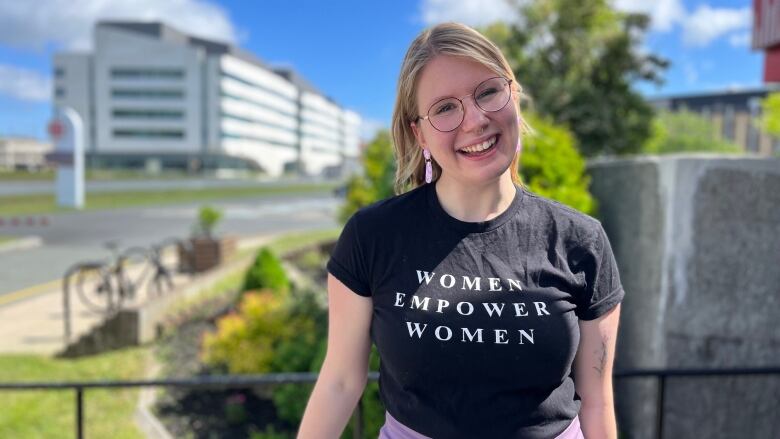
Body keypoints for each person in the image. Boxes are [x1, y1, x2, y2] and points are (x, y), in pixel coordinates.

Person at [298, 22, 623, 439]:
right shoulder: (373, 235)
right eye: (445, 108)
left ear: (514, 97)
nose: (475, 120)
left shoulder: (581, 240)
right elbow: (341, 381)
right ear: (420, 134)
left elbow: (597, 400)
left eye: (488, 92)